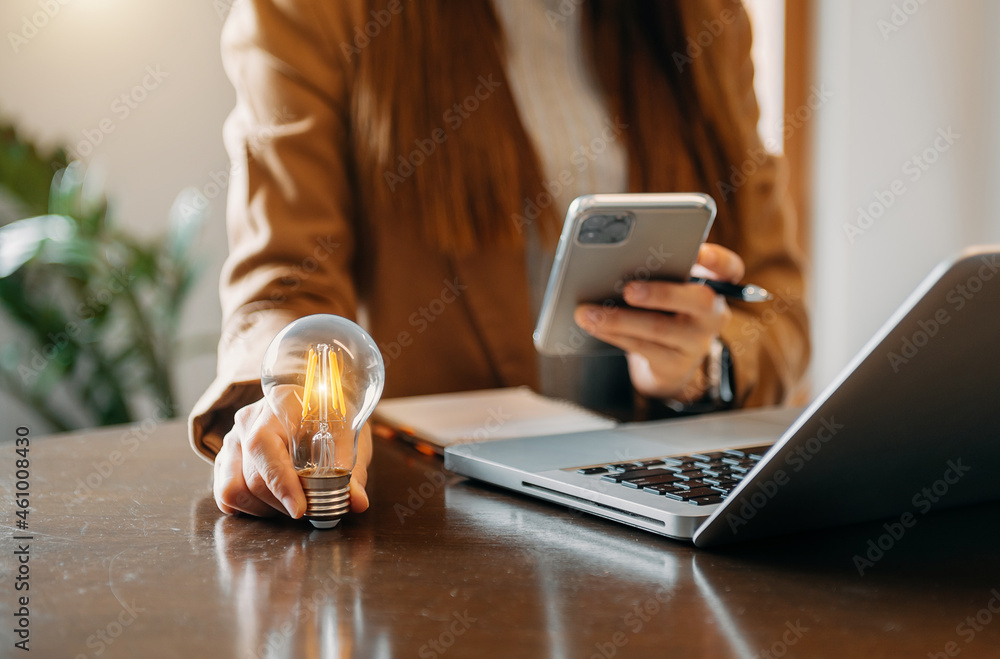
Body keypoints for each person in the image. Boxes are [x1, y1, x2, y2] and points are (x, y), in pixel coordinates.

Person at [189, 0, 810, 521]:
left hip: (662, 504)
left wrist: (707, 362)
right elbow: (286, 281)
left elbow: (777, 306)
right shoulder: (315, 13)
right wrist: (293, 398)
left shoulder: (705, 17)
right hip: (441, 527)